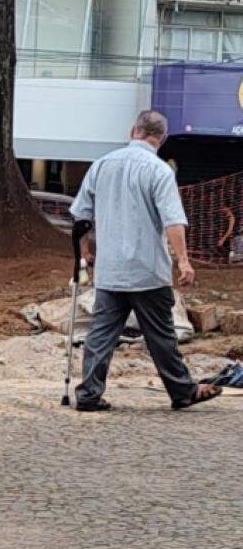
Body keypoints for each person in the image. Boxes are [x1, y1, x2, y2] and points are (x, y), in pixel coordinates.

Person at [70, 110, 220, 412]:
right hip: (147, 271)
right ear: (161, 139)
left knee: (100, 334)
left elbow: (80, 217)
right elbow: (173, 221)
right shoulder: (159, 171)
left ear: (132, 130)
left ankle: (88, 393)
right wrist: (184, 261)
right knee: (160, 336)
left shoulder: (101, 165)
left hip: (111, 270)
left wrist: (84, 253)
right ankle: (181, 391)